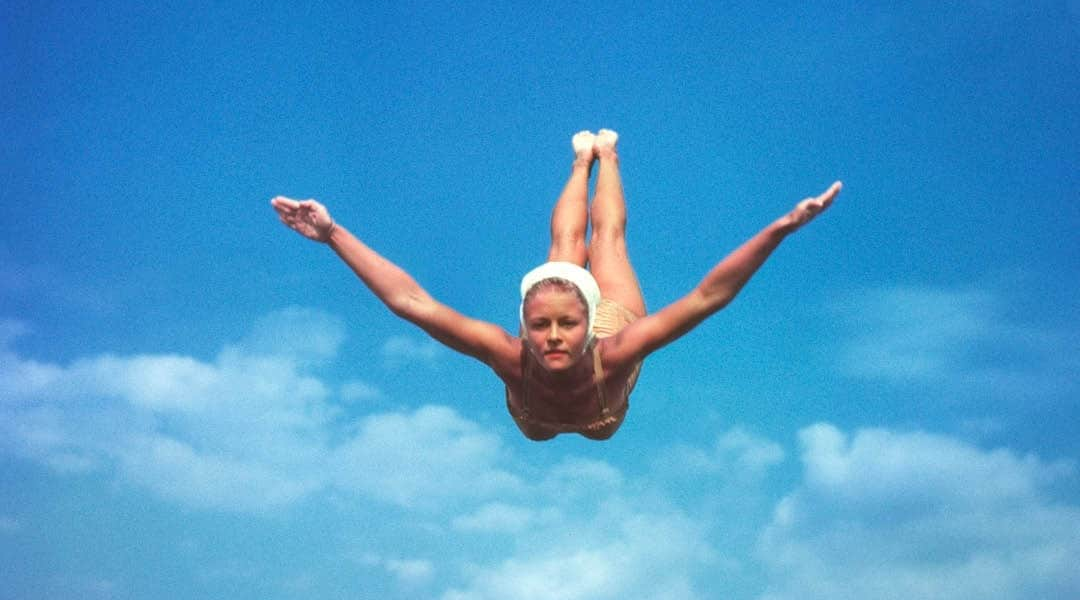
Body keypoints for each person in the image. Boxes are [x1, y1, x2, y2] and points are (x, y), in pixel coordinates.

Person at [271, 130, 841, 442]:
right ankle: (578, 163)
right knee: (563, 253)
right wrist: (332, 234)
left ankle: (607, 154)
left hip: (614, 321)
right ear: (522, 325)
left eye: (567, 323)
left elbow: (707, 297)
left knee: (606, 241)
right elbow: (409, 302)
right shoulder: (508, 354)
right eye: (539, 324)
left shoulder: (615, 350)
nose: (553, 336)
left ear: (588, 325)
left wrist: (781, 229)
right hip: (572, 363)